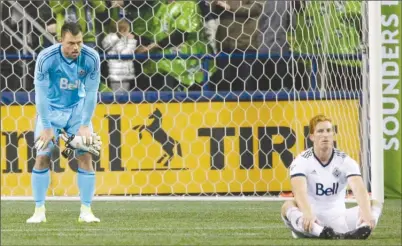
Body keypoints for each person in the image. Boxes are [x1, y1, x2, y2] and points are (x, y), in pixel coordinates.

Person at [26, 22, 101, 223]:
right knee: (43, 155)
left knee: (85, 155)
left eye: (79, 42)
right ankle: (39, 211)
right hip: (50, 110)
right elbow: (40, 95)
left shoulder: (91, 57)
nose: (76, 47)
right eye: (70, 43)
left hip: (77, 110)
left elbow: (92, 92)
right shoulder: (46, 58)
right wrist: (48, 127)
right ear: (60, 41)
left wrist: (85, 125)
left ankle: (86, 211)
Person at [281, 114, 383, 239]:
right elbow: (299, 191)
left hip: (340, 220)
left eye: (328, 130)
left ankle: (360, 230)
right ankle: (320, 232)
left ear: (333, 134)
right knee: (287, 205)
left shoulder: (345, 161)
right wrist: (307, 214)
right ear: (312, 137)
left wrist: (366, 212)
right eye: (320, 131)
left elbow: (359, 188)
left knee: (374, 203)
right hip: (310, 222)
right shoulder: (301, 161)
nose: (325, 134)